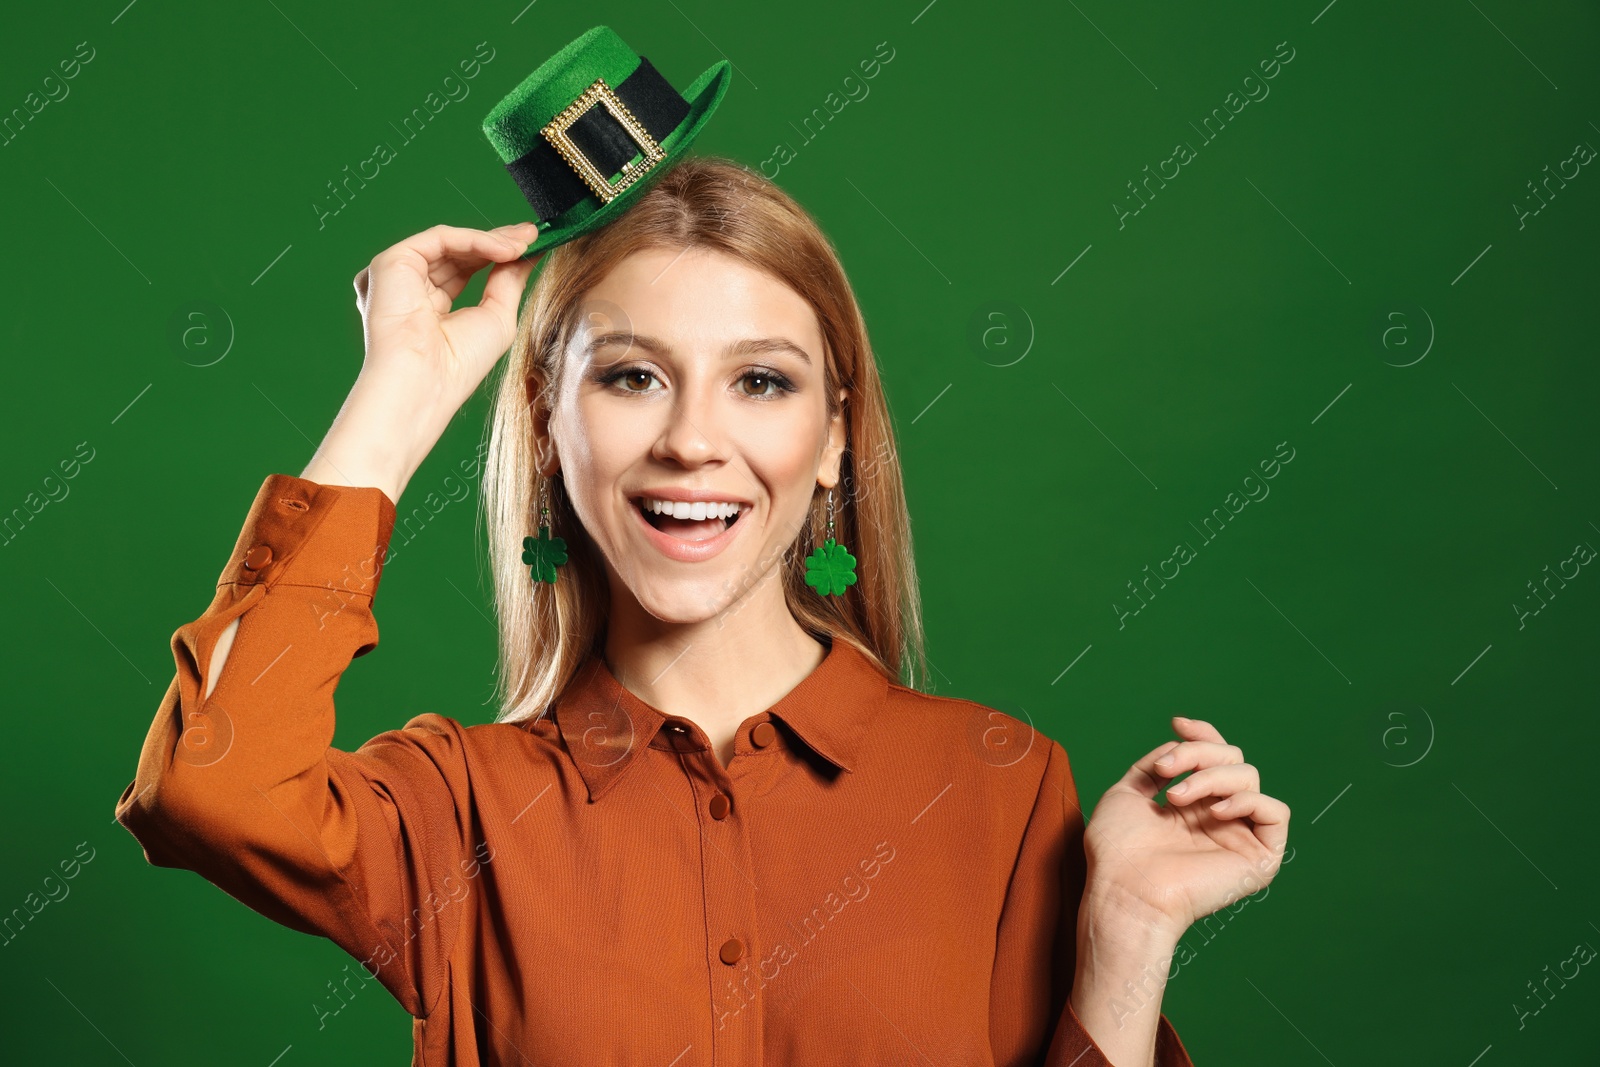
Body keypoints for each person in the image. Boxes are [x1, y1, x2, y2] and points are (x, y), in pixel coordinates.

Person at [115, 157, 1288, 1066]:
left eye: (760, 380)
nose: (690, 438)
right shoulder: (455, 811)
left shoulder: (998, 780)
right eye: (630, 375)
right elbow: (210, 788)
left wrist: (1126, 934)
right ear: (549, 429)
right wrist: (402, 390)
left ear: (833, 436)